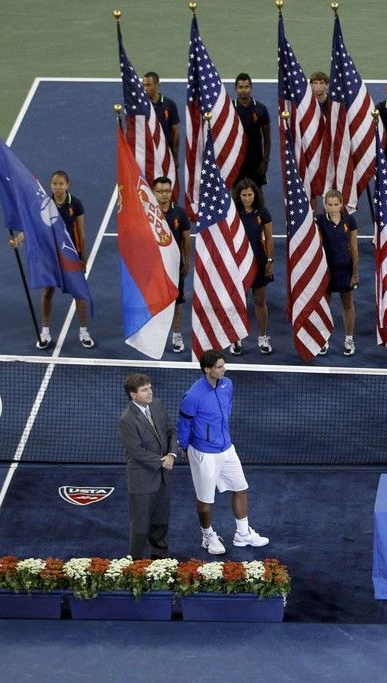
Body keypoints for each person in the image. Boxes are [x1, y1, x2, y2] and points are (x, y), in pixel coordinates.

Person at [178, 349, 269, 554]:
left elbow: (226, 408)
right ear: (207, 369)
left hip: (227, 448)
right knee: (205, 499)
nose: (224, 369)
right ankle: (207, 535)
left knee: (241, 488)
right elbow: (183, 424)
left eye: (223, 365)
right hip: (204, 452)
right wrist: (183, 446)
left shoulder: (227, 384)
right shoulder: (192, 396)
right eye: (219, 367)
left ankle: (242, 534)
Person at [9, 170, 94, 349]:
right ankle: (45, 331)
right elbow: (33, 229)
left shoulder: (76, 204)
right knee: (47, 292)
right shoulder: (45, 204)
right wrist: (17, 240)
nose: (57, 187)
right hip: (51, 257)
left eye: (61, 184)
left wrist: (82, 258)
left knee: (79, 293)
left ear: (67, 185)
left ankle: (83, 331)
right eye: (54, 184)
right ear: (50, 186)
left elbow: (82, 234)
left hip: (70, 256)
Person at [118, 373, 177, 560]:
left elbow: (171, 431)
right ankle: (135, 562)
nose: (150, 392)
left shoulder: (157, 404)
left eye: (150, 387)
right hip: (142, 479)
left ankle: (160, 558)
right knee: (141, 526)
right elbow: (136, 451)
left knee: (161, 521)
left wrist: (172, 454)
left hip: (163, 478)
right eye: (144, 390)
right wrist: (163, 461)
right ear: (133, 394)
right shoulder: (126, 420)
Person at [230, 179, 274, 356]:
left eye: (250, 195)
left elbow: (269, 238)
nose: (247, 198)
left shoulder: (263, 212)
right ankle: (236, 339)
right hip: (238, 264)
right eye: (243, 195)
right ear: (238, 196)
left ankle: (263, 337)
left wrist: (270, 261)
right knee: (238, 303)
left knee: (259, 301)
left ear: (255, 195)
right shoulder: (232, 213)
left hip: (259, 262)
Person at [316, 189, 359, 356]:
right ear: (325, 206)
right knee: (324, 306)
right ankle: (322, 338)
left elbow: (354, 247)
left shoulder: (350, 220)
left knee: (347, 304)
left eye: (336, 204)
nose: (333, 208)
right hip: (326, 271)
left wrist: (355, 271)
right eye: (329, 204)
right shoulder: (319, 221)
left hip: (345, 270)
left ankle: (349, 339)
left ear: (341, 204)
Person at [153, 176, 192, 353]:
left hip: (175, 266)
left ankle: (176, 335)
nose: (164, 195)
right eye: (160, 191)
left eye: (167, 191)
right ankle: (158, 335)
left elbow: (186, 239)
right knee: (156, 302)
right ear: (154, 192)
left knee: (177, 303)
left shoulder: (180, 213)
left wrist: (187, 262)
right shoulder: (148, 212)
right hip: (154, 267)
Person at [233, 73, 271, 189]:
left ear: (251, 88)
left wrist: (265, 161)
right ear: (236, 89)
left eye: (246, 87)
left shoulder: (261, 109)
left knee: (256, 193)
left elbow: (267, 138)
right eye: (240, 87)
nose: (243, 90)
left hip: (255, 160)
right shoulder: (229, 109)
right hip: (235, 160)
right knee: (235, 193)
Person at [141, 72, 180, 166]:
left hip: (166, 154)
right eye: (143, 85)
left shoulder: (170, 104)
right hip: (146, 155)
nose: (145, 89)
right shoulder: (140, 106)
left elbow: (175, 131)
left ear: (157, 85)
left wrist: (175, 156)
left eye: (148, 85)